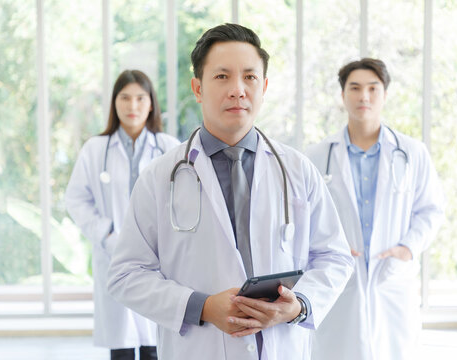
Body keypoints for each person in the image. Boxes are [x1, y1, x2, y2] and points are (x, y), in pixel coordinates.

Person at [107, 23, 354, 360]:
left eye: (250, 77)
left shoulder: (297, 170)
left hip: (281, 346)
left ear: (264, 87)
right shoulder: (159, 177)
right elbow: (126, 274)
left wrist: (299, 306)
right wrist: (203, 307)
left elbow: (334, 256)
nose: (238, 89)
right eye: (222, 77)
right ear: (197, 88)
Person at [307, 58, 445, 360]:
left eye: (373, 88)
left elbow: (431, 209)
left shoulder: (412, 153)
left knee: (395, 350)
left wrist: (408, 248)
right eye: (354, 88)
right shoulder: (317, 156)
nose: (363, 96)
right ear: (343, 95)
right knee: (337, 350)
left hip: (391, 275)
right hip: (341, 276)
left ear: (384, 94)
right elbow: (308, 218)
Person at [65, 70, 180, 360]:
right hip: (114, 255)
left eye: (141, 98)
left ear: (151, 103)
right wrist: (106, 233)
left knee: (157, 343)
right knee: (123, 346)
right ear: (114, 104)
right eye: (125, 98)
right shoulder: (95, 149)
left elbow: (184, 200)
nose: (133, 106)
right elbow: (76, 199)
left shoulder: (168, 147)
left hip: (159, 258)